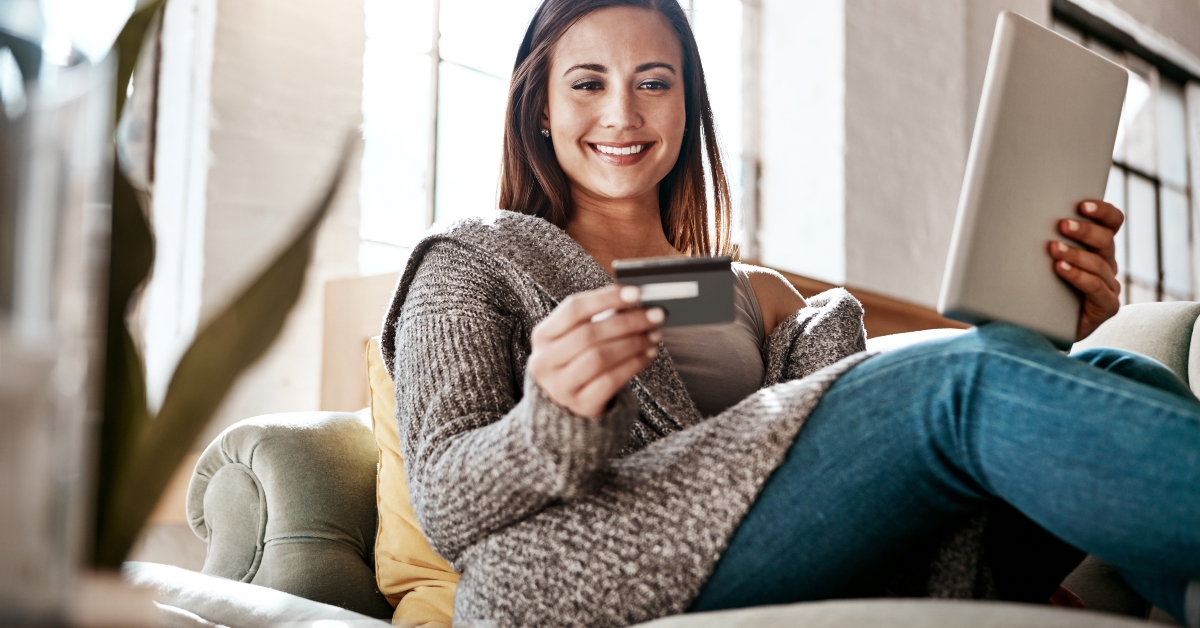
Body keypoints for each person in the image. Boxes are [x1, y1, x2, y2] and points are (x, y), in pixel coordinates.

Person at [378, 0, 1200, 626]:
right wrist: (549, 420)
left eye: (654, 83)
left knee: (1121, 370)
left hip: (792, 546)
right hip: (578, 564)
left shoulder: (754, 291)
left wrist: (1050, 321)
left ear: (687, 106)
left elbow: (872, 458)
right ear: (540, 108)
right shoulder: (474, 261)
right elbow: (446, 503)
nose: (623, 113)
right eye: (587, 83)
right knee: (967, 381)